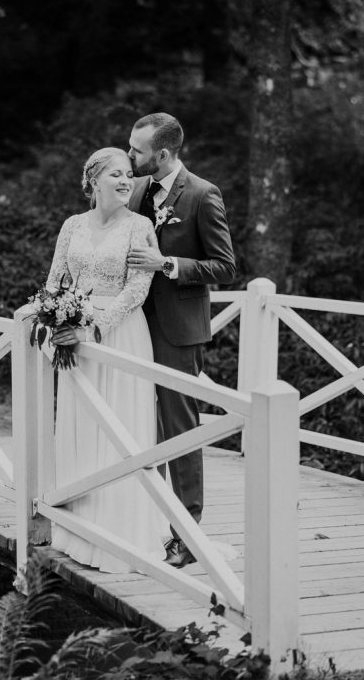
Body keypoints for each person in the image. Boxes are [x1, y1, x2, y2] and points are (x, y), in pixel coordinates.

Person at [48, 147, 167, 573]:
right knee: (82, 426)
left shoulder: (141, 226)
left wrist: (94, 328)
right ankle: (77, 528)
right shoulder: (72, 225)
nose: (125, 181)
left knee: (119, 429)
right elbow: (56, 280)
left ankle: (121, 533)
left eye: (129, 175)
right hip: (74, 336)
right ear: (93, 180)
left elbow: (138, 290)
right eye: (115, 174)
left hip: (121, 335)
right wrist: (52, 317)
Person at [126, 113, 237, 569]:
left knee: (179, 429)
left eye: (137, 150)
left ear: (164, 154)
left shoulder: (202, 194)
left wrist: (167, 264)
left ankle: (186, 536)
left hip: (177, 330)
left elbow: (225, 267)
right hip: (130, 324)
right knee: (128, 419)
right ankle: (136, 518)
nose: (129, 155)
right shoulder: (135, 189)